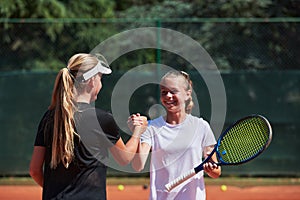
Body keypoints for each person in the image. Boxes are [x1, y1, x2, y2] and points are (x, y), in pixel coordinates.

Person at [29, 53, 146, 200]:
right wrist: (137, 132)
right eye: (100, 78)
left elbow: (34, 170)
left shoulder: (49, 117)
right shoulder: (102, 119)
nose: (100, 84)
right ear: (91, 80)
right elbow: (125, 158)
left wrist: (55, 192)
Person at [129, 70, 221, 200]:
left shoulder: (201, 127)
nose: (168, 96)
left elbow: (216, 172)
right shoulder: (151, 127)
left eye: (173, 91)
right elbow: (138, 166)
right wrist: (137, 132)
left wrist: (210, 169)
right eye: (164, 92)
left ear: (187, 94)